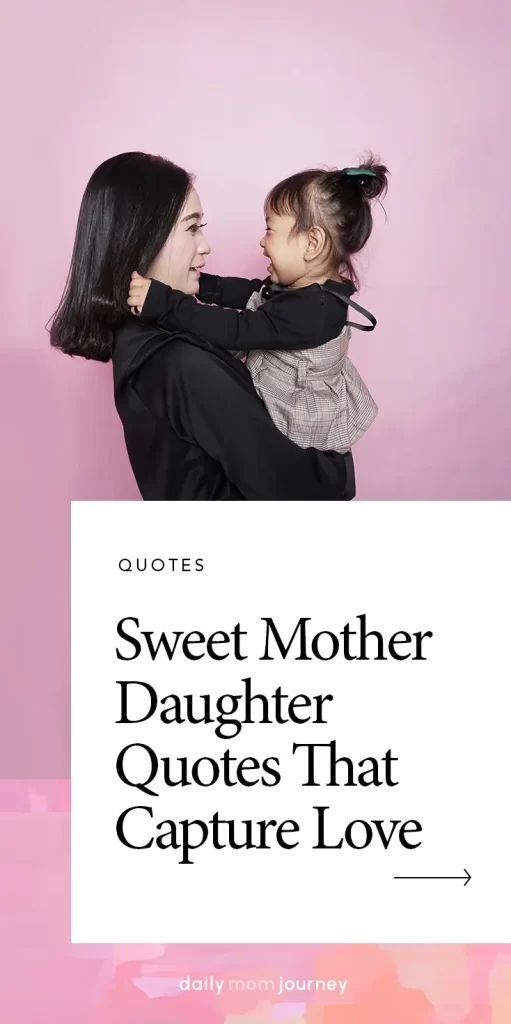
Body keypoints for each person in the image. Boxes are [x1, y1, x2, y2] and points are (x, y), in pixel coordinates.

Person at [49, 151, 355, 500]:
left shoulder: (143, 341)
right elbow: (289, 489)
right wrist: (338, 468)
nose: (206, 246)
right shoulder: (180, 364)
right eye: (192, 227)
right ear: (140, 237)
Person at [128, 158, 388, 453]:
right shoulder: (309, 290)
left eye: (270, 230)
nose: (263, 242)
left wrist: (165, 303)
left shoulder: (313, 312)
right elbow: (257, 291)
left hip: (294, 423)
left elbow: (238, 330)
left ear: (311, 243)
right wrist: (204, 285)